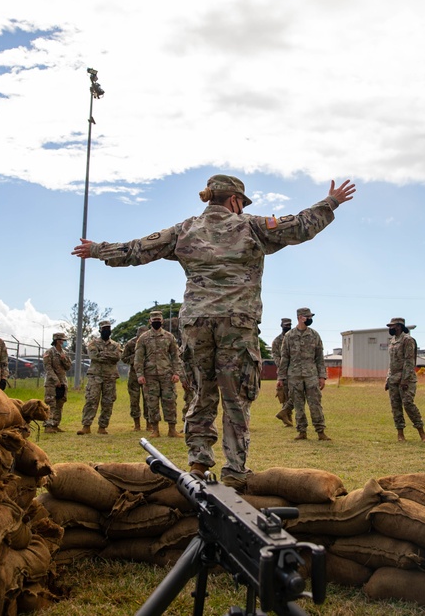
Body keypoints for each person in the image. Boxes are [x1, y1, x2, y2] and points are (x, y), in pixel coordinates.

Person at [72, 174, 356, 488]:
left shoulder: (184, 229)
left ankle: (197, 464)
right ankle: (234, 470)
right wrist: (331, 202)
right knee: (236, 397)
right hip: (236, 324)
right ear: (235, 199)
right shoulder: (251, 226)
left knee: (199, 394)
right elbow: (301, 226)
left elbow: (137, 249)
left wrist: (99, 249)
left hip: (195, 325)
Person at [278, 307, 330, 441]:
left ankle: (320, 431)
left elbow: (319, 357)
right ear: (300, 317)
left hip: (311, 375)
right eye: (308, 317)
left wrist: (322, 376)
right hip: (294, 376)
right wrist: (281, 377)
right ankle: (302, 431)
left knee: (315, 404)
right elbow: (285, 358)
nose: (310, 319)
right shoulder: (289, 336)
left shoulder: (314, 335)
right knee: (298, 405)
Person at [136, 310, 185, 439]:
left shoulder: (169, 337)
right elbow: (138, 358)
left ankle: (172, 429)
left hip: (167, 375)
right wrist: (140, 375)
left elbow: (175, 356)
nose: (156, 323)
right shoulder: (143, 338)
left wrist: (176, 372)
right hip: (150, 375)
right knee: (152, 403)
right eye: (154, 321)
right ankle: (155, 430)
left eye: (158, 321)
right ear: (150, 322)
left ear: (162, 321)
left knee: (170, 401)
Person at [385, 317, 425, 443]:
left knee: (408, 404)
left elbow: (409, 361)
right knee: (396, 407)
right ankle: (400, 433)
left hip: (406, 379)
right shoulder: (392, 341)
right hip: (393, 379)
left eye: (392, 326)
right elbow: (391, 363)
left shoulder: (408, 340)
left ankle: (422, 432)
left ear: (399, 326)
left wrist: (405, 379)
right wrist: (388, 379)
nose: (390, 328)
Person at [77, 320, 122, 435]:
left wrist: (103, 354)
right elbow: (94, 356)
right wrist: (108, 355)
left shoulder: (116, 345)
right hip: (95, 376)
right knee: (91, 400)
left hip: (110, 377)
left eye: (108, 328)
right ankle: (86, 426)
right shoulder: (93, 343)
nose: (106, 330)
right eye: (104, 328)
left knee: (108, 402)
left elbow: (118, 356)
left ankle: (102, 426)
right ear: (100, 330)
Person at [42, 332, 73, 433]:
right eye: (61, 340)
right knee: (51, 403)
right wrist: (56, 380)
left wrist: (64, 359)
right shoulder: (49, 352)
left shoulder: (64, 353)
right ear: (56, 341)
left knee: (60, 403)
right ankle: (48, 425)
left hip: (63, 382)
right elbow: (48, 368)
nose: (63, 342)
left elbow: (68, 367)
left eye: (64, 340)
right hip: (51, 383)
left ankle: (55, 424)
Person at [122, 325, 149, 431]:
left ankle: (149, 423)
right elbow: (123, 358)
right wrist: (135, 358)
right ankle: (137, 424)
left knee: (148, 399)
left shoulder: (150, 342)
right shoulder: (130, 343)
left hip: (147, 374)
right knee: (134, 399)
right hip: (134, 375)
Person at [271, 317, 294, 427]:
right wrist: (282, 366)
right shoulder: (277, 341)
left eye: (289, 325)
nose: (287, 327)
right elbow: (275, 355)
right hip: (283, 372)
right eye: (285, 325)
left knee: (295, 393)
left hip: (295, 370)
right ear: (281, 326)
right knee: (284, 395)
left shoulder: (294, 338)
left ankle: (286, 414)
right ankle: (288, 418)